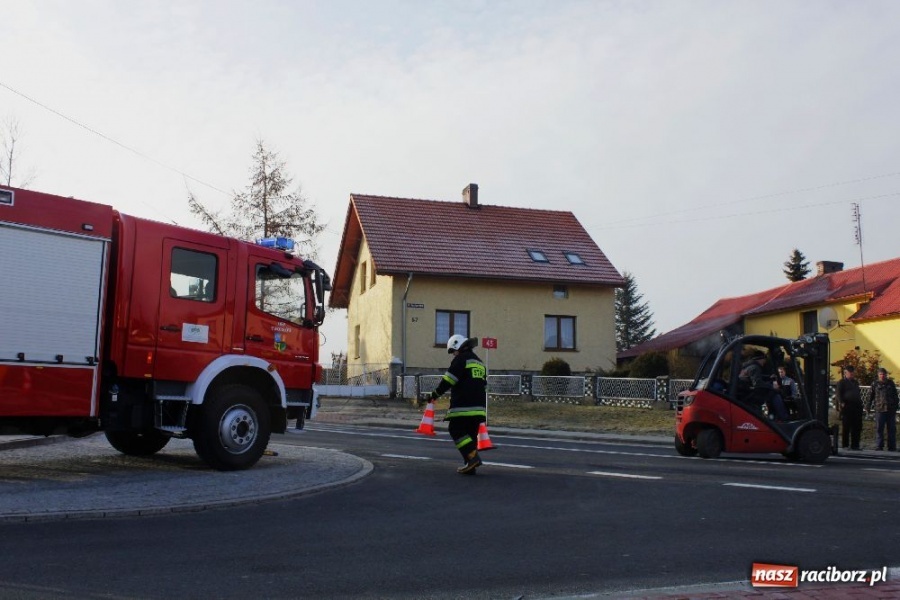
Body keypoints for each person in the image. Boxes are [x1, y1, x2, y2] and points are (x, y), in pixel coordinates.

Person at [424, 334, 487, 474]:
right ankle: (470, 466)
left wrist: (434, 395)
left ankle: (472, 457)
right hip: (480, 408)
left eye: (453, 351)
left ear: (458, 346)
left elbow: (448, 381)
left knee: (456, 430)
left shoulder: (460, 360)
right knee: (470, 435)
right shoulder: (480, 362)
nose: (453, 354)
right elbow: (484, 385)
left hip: (464, 406)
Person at [738, 350, 790, 421]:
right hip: (750, 395)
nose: (764, 362)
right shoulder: (755, 367)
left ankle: (772, 417)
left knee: (771, 391)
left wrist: (768, 377)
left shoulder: (749, 366)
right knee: (775, 394)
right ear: (760, 359)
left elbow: (755, 377)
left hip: (747, 392)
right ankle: (784, 418)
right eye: (764, 360)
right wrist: (772, 387)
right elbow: (757, 383)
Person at [870, 367, 898, 451]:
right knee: (879, 429)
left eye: (883, 374)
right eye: (880, 374)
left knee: (892, 429)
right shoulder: (875, 383)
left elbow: (895, 395)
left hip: (890, 409)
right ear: (878, 375)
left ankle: (892, 446)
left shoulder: (890, 383)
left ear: (886, 375)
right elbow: (870, 396)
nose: (882, 376)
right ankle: (879, 445)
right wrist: (868, 406)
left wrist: (895, 406)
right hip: (880, 409)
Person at [836, 365, 863, 450]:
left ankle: (855, 445)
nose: (852, 374)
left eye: (852, 373)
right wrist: (841, 403)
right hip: (847, 406)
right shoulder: (842, 382)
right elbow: (838, 394)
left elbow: (858, 393)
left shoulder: (855, 382)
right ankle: (845, 445)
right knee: (846, 426)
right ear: (845, 373)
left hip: (856, 407)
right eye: (850, 373)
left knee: (857, 427)